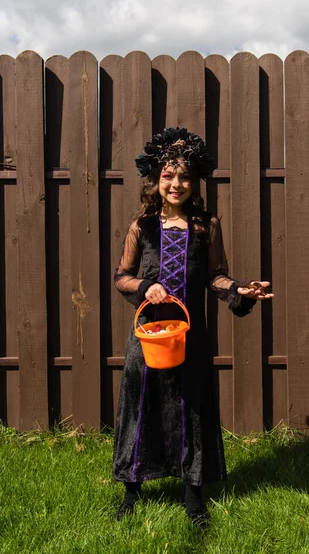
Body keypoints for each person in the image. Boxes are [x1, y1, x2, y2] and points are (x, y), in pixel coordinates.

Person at [112, 127, 274, 523]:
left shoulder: (206, 227)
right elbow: (121, 276)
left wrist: (241, 289)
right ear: (156, 179)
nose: (176, 184)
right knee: (143, 406)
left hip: (190, 340)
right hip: (147, 338)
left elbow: (216, 276)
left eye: (184, 176)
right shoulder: (142, 227)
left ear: (195, 181)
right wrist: (146, 286)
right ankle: (132, 491)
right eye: (168, 176)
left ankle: (193, 496)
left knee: (192, 410)